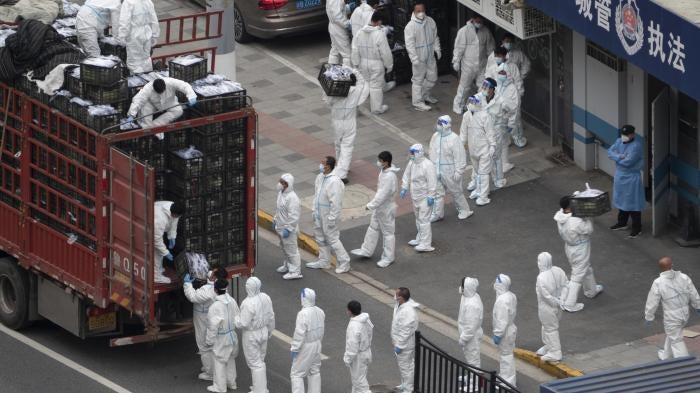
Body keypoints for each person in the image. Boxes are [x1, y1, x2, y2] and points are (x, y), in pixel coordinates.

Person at [645, 257, 700, 360]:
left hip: (672, 316)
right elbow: (693, 293)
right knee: (674, 334)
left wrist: (649, 316)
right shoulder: (684, 277)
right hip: (685, 314)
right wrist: (698, 306)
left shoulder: (658, 282)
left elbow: (652, 302)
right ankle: (666, 356)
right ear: (672, 265)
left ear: (660, 268)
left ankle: (684, 363)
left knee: (676, 339)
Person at [351, 151, 400, 267]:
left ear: (386, 162)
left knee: (388, 233)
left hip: (386, 208)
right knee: (373, 227)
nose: (378, 162)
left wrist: (370, 205)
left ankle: (388, 257)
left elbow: (383, 194)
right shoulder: (383, 172)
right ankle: (366, 249)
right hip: (380, 207)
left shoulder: (389, 177)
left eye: (381, 161)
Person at [554, 196, 603, 312]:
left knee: (586, 268)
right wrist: (589, 215)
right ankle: (569, 303)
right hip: (580, 248)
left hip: (570, 247)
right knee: (577, 275)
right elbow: (589, 229)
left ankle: (591, 290)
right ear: (569, 207)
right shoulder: (575, 222)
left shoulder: (560, 215)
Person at [306, 157, 352, 273]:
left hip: (328, 214)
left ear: (328, 166)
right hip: (319, 212)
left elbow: (336, 202)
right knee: (320, 237)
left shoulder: (335, 181)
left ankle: (345, 262)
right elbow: (316, 195)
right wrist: (314, 211)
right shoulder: (320, 177)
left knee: (332, 239)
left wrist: (332, 218)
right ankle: (324, 261)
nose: (320, 165)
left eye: (323, 163)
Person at [324, 72, 370, 183]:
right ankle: (342, 173)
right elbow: (363, 83)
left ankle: (341, 166)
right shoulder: (356, 92)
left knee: (338, 145)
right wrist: (353, 70)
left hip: (336, 123)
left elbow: (327, 100)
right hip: (349, 123)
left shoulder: (335, 92)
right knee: (347, 147)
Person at [184, 266, 227, 381]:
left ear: (214, 278)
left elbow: (192, 296)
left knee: (203, 345)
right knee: (211, 344)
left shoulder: (207, 291)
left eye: (213, 273)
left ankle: (210, 373)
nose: (210, 273)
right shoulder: (221, 287)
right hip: (211, 318)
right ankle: (210, 367)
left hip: (203, 319)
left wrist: (187, 284)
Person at [428, 115, 472, 222]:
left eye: (440, 124)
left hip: (450, 170)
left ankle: (464, 210)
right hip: (437, 169)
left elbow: (460, 155)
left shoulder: (454, 138)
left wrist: (459, 171)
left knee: (456, 191)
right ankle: (438, 214)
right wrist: (433, 167)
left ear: (446, 126)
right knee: (438, 192)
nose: (438, 126)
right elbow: (432, 151)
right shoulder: (435, 136)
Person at [236, 277, 275, 393]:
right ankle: (259, 386)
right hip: (264, 331)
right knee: (260, 360)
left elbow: (243, 323)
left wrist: (235, 318)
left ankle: (260, 390)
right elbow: (271, 315)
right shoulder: (266, 297)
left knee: (255, 363)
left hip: (251, 335)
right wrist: (270, 330)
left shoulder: (248, 303)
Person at [451, 15, 495, 115]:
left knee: (483, 87)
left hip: (482, 65)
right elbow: (459, 47)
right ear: (472, 19)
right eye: (477, 20)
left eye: (481, 20)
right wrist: (456, 60)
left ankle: (479, 106)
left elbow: (490, 48)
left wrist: (492, 63)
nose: (479, 22)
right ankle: (458, 106)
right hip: (468, 65)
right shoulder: (464, 31)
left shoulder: (486, 31)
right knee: (464, 87)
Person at [351, 11, 393, 115]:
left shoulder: (360, 32)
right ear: (379, 21)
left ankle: (354, 106)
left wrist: (356, 63)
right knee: (375, 87)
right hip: (376, 64)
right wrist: (389, 65)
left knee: (363, 85)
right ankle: (376, 109)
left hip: (363, 63)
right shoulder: (379, 34)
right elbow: (385, 53)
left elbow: (355, 49)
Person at [607, 125, 645, 238]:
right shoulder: (619, 141)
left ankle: (637, 228)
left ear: (632, 134)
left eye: (626, 134)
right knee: (622, 200)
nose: (624, 137)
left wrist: (617, 158)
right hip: (620, 175)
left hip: (632, 178)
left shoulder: (636, 146)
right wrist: (620, 157)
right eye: (623, 134)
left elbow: (628, 162)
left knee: (633, 203)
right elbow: (610, 152)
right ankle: (622, 222)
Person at [460, 94, 497, 206]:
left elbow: (490, 133)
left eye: (473, 102)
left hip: (484, 149)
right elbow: (463, 133)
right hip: (473, 149)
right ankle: (479, 190)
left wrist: (493, 146)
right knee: (476, 171)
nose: (471, 104)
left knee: (483, 173)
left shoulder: (485, 116)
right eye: (470, 102)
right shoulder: (466, 116)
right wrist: (460, 147)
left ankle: (483, 196)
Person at [205, 278, 241, 393]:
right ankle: (232, 383)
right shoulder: (232, 301)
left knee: (219, 362)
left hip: (221, 338)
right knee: (230, 360)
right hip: (232, 336)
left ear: (215, 290)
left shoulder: (214, 307)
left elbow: (212, 327)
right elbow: (238, 317)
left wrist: (209, 341)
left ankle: (220, 387)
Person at [400, 144, 437, 252]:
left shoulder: (428, 165)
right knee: (418, 218)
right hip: (415, 196)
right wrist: (404, 188)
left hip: (425, 197)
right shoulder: (412, 163)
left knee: (424, 220)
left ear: (419, 153)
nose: (411, 155)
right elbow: (406, 175)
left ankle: (426, 244)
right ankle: (420, 238)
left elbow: (432, 181)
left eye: (413, 153)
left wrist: (431, 195)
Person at [404, 2, 441, 112]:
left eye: (422, 10)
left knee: (432, 77)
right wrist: (414, 58)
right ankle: (417, 102)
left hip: (430, 56)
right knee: (417, 80)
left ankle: (425, 95)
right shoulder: (410, 26)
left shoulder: (430, 21)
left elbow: (435, 37)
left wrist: (437, 49)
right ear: (414, 12)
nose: (421, 13)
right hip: (418, 57)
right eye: (418, 11)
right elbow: (409, 44)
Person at [127, 78, 197, 131]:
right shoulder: (148, 88)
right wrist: (131, 114)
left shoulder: (170, 82)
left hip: (169, 101)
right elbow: (138, 100)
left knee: (178, 110)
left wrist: (191, 96)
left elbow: (184, 85)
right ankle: (147, 130)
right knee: (145, 111)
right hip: (152, 104)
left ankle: (156, 126)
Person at [290, 288, 325, 393]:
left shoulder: (303, 313)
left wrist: (295, 348)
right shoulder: (320, 311)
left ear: (304, 299)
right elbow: (322, 330)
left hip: (306, 346)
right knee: (314, 371)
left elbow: (299, 333)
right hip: (317, 344)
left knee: (296, 374)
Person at [535, 252, 568, 362]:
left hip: (547, 307)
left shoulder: (541, 278)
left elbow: (546, 296)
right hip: (559, 305)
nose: (538, 263)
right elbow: (565, 285)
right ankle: (548, 346)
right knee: (547, 327)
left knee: (550, 329)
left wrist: (556, 302)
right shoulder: (558, 270)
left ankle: (555, 352)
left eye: (539, 261)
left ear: (543, 263)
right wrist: (562, 300)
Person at [491, 65, 520, 174]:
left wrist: (511, 124)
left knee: (504, 142)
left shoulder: (512, 88)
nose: (501, 75)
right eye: (500, 73)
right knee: (497, 142)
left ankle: (504, 163)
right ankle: (499, 163)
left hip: (504, 120)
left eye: (503, 73)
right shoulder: (496, 85)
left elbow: (515, 108)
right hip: (494, 118)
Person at [117, 0, 159, 74]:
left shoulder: (128, 2)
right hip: (146, 33)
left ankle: (137, 82)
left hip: (134, 34)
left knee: (134, 62)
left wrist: (122, 36)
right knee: (146, 59)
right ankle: (148, 79)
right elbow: (154, 19)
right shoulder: (148, 1)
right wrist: (155, 34)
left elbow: (124, 21)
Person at [274, 173, 303, 280]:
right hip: (280, 227)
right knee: (284, 248)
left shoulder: (293, 198)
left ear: (288, 184)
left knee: (292, 251)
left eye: (283, 182)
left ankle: (296, 271)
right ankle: (288, 265)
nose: (280, 184)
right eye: (280, 181)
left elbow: (294, 217)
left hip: (288, 230)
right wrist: (275, 220)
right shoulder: (281, 193)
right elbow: (279, 210)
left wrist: (288, 228)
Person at [392, 287, 420, 393]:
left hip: (405, 344)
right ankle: (405, 384)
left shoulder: (408, 312)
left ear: (401, 298)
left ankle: (408, 389)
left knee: (406, 367)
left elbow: (405, 331)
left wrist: (400, 345)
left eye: (397, 294)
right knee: (406, 366)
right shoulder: (400, 304)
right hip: (401, 342)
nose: (395, 296)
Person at [492, 274, 517, 387]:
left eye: (497, 282)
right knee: (506, 355)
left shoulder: (502, 300)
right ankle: (505, 377)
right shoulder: (510, 295)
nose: (495, 284)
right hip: (510, 329)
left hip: (505, 332)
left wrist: (498, 334)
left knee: (506, 356)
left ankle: (508, 382)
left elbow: (502, 320)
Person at [344, 300, 374, 393]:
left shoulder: (354, 325)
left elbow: (352, 345)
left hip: (358, 357)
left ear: (350, 311)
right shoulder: (366, 319)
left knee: (359, 382)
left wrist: (347, 359)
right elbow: (370, 333)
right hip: (366, 351)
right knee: (358, 380)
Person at [153, 200, 184, 284]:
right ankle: (156, 276)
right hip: (149, 226)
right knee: (157, 251)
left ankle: (158, 269)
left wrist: (172, 237)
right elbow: (156, 240)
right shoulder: (160, 218)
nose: (178, 217)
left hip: (157, 229)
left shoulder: (174, 207)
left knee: (160, 251)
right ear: (173, 214)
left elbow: (174, 223)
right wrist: (166, 252)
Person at [458, 277, 483, 369]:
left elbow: (470, 326)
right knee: (470, 359)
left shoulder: (472, 305)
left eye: (462, 286)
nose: (461, 288)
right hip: (470, 335)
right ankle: (471, 378)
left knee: (473, 360)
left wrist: (463, 339)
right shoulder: (468, 296)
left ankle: (475, 382)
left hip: (471, 337)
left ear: (467, 288)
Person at [327, 0, 352, 66]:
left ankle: (332, 72)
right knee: (347, 54)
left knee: (335, 51)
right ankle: (348, 74)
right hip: (338, 28)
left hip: (334, 26)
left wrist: (348, 7)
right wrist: (347, 24)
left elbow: (338, 10)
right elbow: (337, 16)